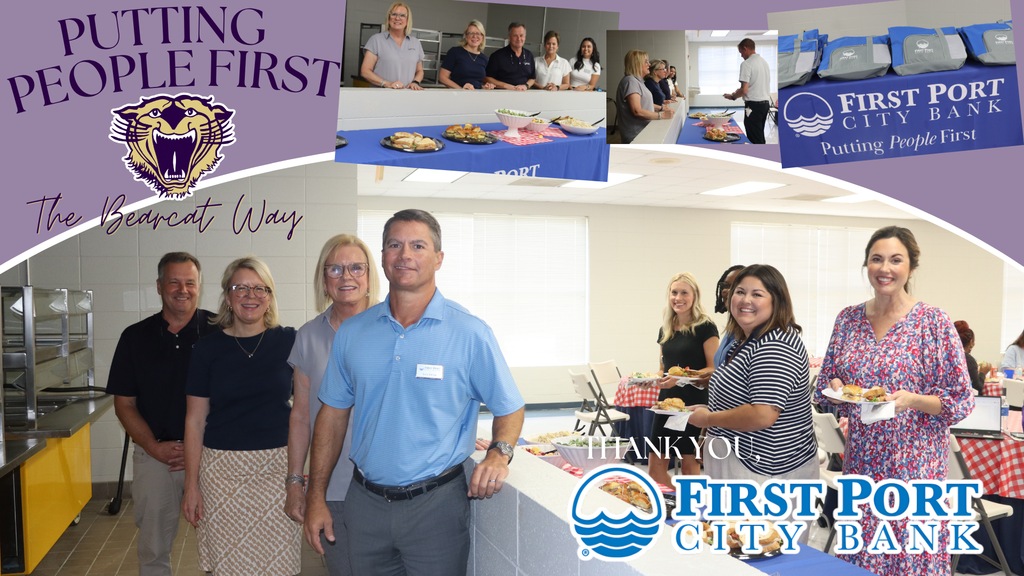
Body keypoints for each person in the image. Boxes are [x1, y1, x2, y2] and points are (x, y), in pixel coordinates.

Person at [304, 209, 526, 576]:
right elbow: (331, 417)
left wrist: (500, 454)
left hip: (435, 507)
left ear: (438, 258)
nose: (405, 254)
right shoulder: (353, 333)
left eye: (418, 245)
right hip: (365, 505)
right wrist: (315, 496)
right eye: (395, 245)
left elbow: (510, 407)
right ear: (384, 257)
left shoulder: (470, 333)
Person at [816, 226, 974, 575]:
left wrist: (914, 400)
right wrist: (838, 386)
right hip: (862, 461)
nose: (884, 268)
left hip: (914, 465)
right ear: (866, 265)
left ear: (911, 268)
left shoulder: (933, 322)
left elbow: (961, 400)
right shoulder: (848, 319)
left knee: (908, 556)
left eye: (895, 260)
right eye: (876, 259)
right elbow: (824, 383)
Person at [182, 256, 300, 575]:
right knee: (228, 566)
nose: (251, 296)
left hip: (277, 471)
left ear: (270, 296)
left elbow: (304, 411)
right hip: (220, 474)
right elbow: (194, 421)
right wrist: (191, 485)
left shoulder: (290, 341)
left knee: (278, 564)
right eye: (241, 288)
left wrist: (300, 478)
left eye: (260, 288)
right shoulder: (206, 350)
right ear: (227, 297)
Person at [687, 264, 818, 542]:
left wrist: (708, 419)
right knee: (735, 549)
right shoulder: (744, 340)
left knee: (766, 553)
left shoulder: (776, 344)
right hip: (741, 464)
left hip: (768, 474)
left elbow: (762, 415)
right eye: (740, 292)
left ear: (777, 301)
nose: (746, 300)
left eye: (757, 294)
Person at [107, 253, 219, 576]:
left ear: (199, 287)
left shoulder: (220, 333)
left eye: (190, 283)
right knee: (154, 549)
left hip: (211, 457)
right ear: (159, 287)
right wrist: (154, 447)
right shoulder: (134, 338)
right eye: (174, 282)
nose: (182, 289)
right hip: (156, 457)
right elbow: (124, 404)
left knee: (219, 544)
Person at [284, 236, 381, 575]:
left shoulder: (394, 330)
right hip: (333, 487)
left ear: (369, 277)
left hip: (388, 485)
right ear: (324, 281)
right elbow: (300, 416)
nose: (346, 276)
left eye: (356, 267)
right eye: (335, 269)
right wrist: (297, 483)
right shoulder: (308, 337)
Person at [649, 273, 719, 485]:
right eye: (674, 292)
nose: (678, 297)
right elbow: (663, 369)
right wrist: (651, 380)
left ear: (695, 296)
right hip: (666, 404)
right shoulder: (666, 329)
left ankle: (692, 506)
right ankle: (684, 499)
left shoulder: (705, 326)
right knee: (655, 472)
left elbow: (713, 368)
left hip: (693, 405)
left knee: (689, 468)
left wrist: (681, 379)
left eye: (684, 293)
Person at [360, 2, 425, 90]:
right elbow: (365, 71)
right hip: (380, 97)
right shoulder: (376, 40)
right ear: (389, 17)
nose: (397, 18)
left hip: (407, 97)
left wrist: (415, 82)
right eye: (394, 14)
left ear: (407, 19)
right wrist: (386, 83)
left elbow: (419, 71)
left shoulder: (415, 42)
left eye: (402, 15)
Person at [615, 50, 674, 144]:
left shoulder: (638, 81)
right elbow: (636, 111)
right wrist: (661, 115)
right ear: (637, 64)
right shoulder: (630, 81)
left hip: (643, 130)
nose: (649, 64)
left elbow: (644, 103)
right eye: (646, 62)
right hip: (636, 134)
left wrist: (661, 107)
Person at [724, 38, 771, 144]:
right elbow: (755, 85)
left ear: (745, 48)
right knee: (759, 135)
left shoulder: (746, 63)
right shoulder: (764, 62)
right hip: (765, 105)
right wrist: (740, 90)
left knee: (754, 138)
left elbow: (744, 90)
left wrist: (733, 97)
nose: (741, 56)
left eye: (741, 52)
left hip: (753, 107)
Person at [439, 20, 495, 90]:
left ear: (482, 37)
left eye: (478, 33)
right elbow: (442, 77)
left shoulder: (484, 58)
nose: (475, 36)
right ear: (466, 36)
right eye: (471, 33)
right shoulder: (455, 52)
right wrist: (461, 90)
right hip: (457, 96)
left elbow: (477, 83)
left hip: (476, 97)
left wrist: (484, 87)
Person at [484, 22, 535, 90]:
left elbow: (532, 78)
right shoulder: (497, 56)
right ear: (509, 37)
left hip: (524, 95)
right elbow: (486, 78)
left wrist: (526, 86)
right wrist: (506, 86)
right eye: (515, 35)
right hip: (502, 95)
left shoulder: (529, 55)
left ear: (525, 37)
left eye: (521, 35)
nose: (519, 39)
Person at [712, 264, 745, 368]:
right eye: (726, 286)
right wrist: (712, 377)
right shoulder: (731, 329)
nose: (727, 291)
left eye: (735, 287)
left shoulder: (750, 331)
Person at [954, 320, 984, 393]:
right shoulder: (969, 360)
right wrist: (983, 373)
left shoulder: (945, 357)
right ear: (970, 342)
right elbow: (977, 387)